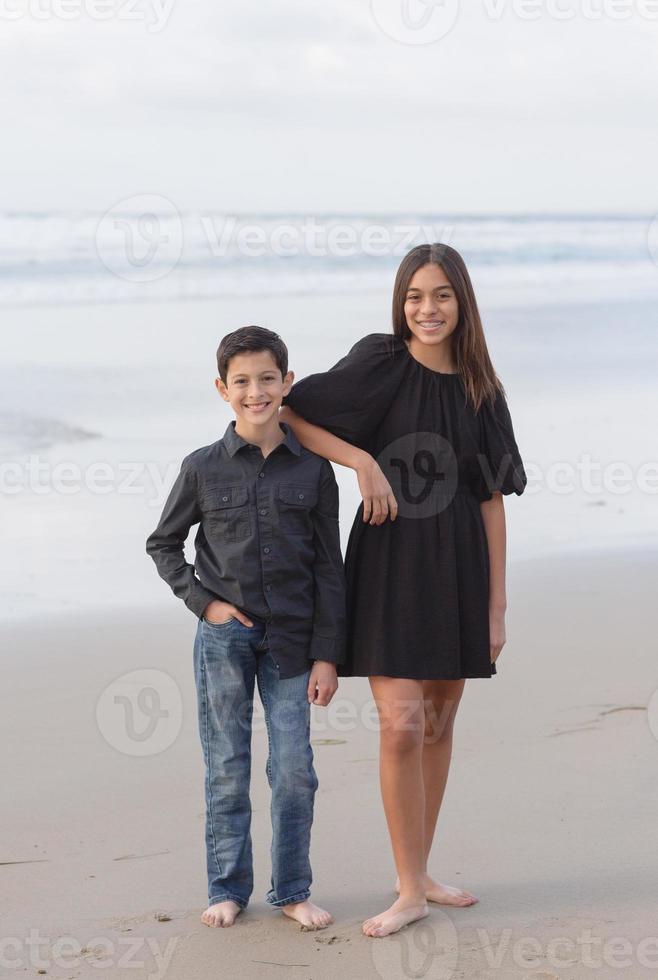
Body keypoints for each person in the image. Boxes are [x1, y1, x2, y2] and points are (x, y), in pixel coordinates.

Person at [280, 243, 528, 938]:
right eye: (416, 295)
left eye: (442, 295)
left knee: (442, 722)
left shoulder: (483, 389)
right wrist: (362, 461)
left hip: (459, 569)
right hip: (389, 564)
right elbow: (294, 414)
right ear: (401, 301)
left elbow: (490, 500)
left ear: (463, 302)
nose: (427, 308)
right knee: (401, 724)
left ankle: (417, 877)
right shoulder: (379, 363)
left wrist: (496, 608)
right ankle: (409, 889)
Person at [146, 325, 346, 930]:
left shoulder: (313, 472)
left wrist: (329, 655)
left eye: (267, 379)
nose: (255, 391)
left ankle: (292, 891)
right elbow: (164, 545)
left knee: (293, 770)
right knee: (227, 766)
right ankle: (228, 887)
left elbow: (329, 568)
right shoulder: (202, 468)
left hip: (294, 642)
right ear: (222, 389)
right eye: (242, 382)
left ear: (286, 383)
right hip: (223, 640)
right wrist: (203, 602)